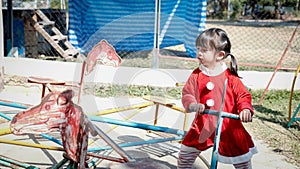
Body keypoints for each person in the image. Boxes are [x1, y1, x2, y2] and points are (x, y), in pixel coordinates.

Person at [177, 28, 258, 169]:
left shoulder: (230, 77)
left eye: (204, 50)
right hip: (202, 126)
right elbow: (188, 93)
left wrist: (245, 108)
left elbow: (243, 95)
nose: (199, 54)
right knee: (185, 155)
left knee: (242, 160)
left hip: (228, 127)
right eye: (198, 49)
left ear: (220, 55)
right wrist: (192, 104)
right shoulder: (197, 75)